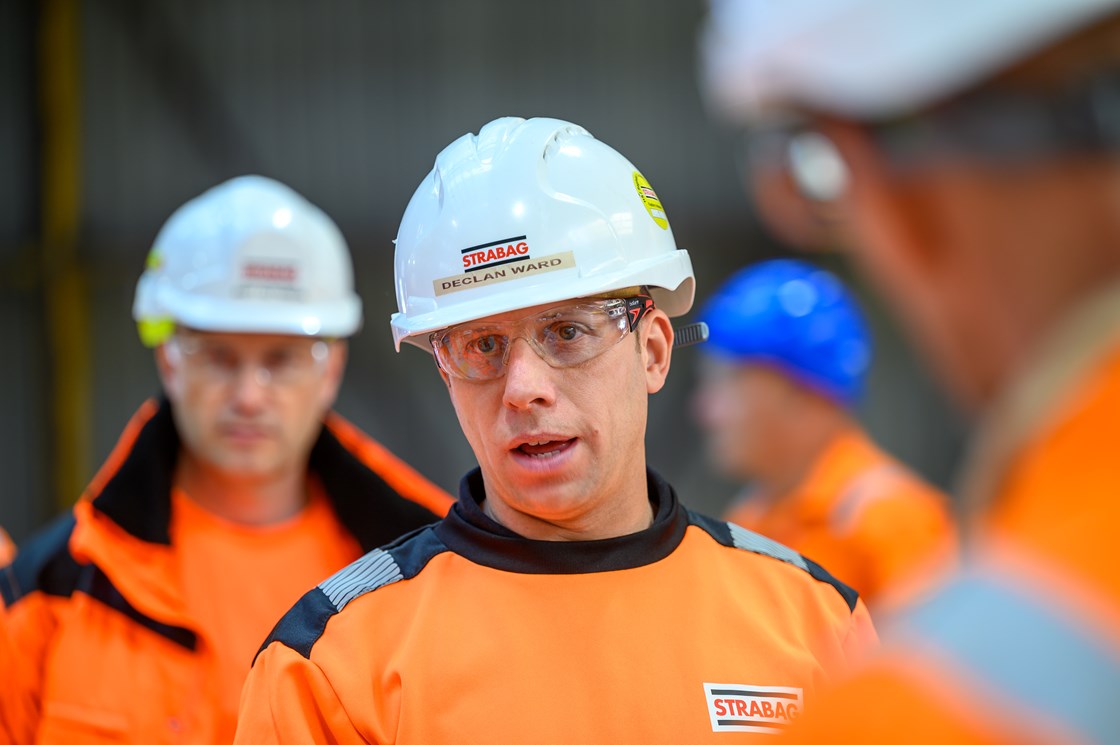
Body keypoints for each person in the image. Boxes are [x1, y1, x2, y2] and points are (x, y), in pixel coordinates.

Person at [234, 116, 877, 744]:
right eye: (481, 345)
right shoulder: (332, 669)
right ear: (445, 377)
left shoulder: (815, 625)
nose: (522, 388)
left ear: (652, 352)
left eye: (567, 333)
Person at [699, 1, 1120, 742]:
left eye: (732, 383)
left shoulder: (924, 684)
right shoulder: (756, 523)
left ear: (906, 207)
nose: (709, 410)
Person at [0, 175, 453, 744]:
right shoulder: (51, 593)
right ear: (169, 360)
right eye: (217, 356)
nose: (248, 395)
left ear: (330, 368)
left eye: (281, 359)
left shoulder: (434, 574)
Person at [693, 258, 955, 608]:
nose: (706, 411)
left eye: (727, 384)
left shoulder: (892, 521)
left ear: (800, 393)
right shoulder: (750, 519)